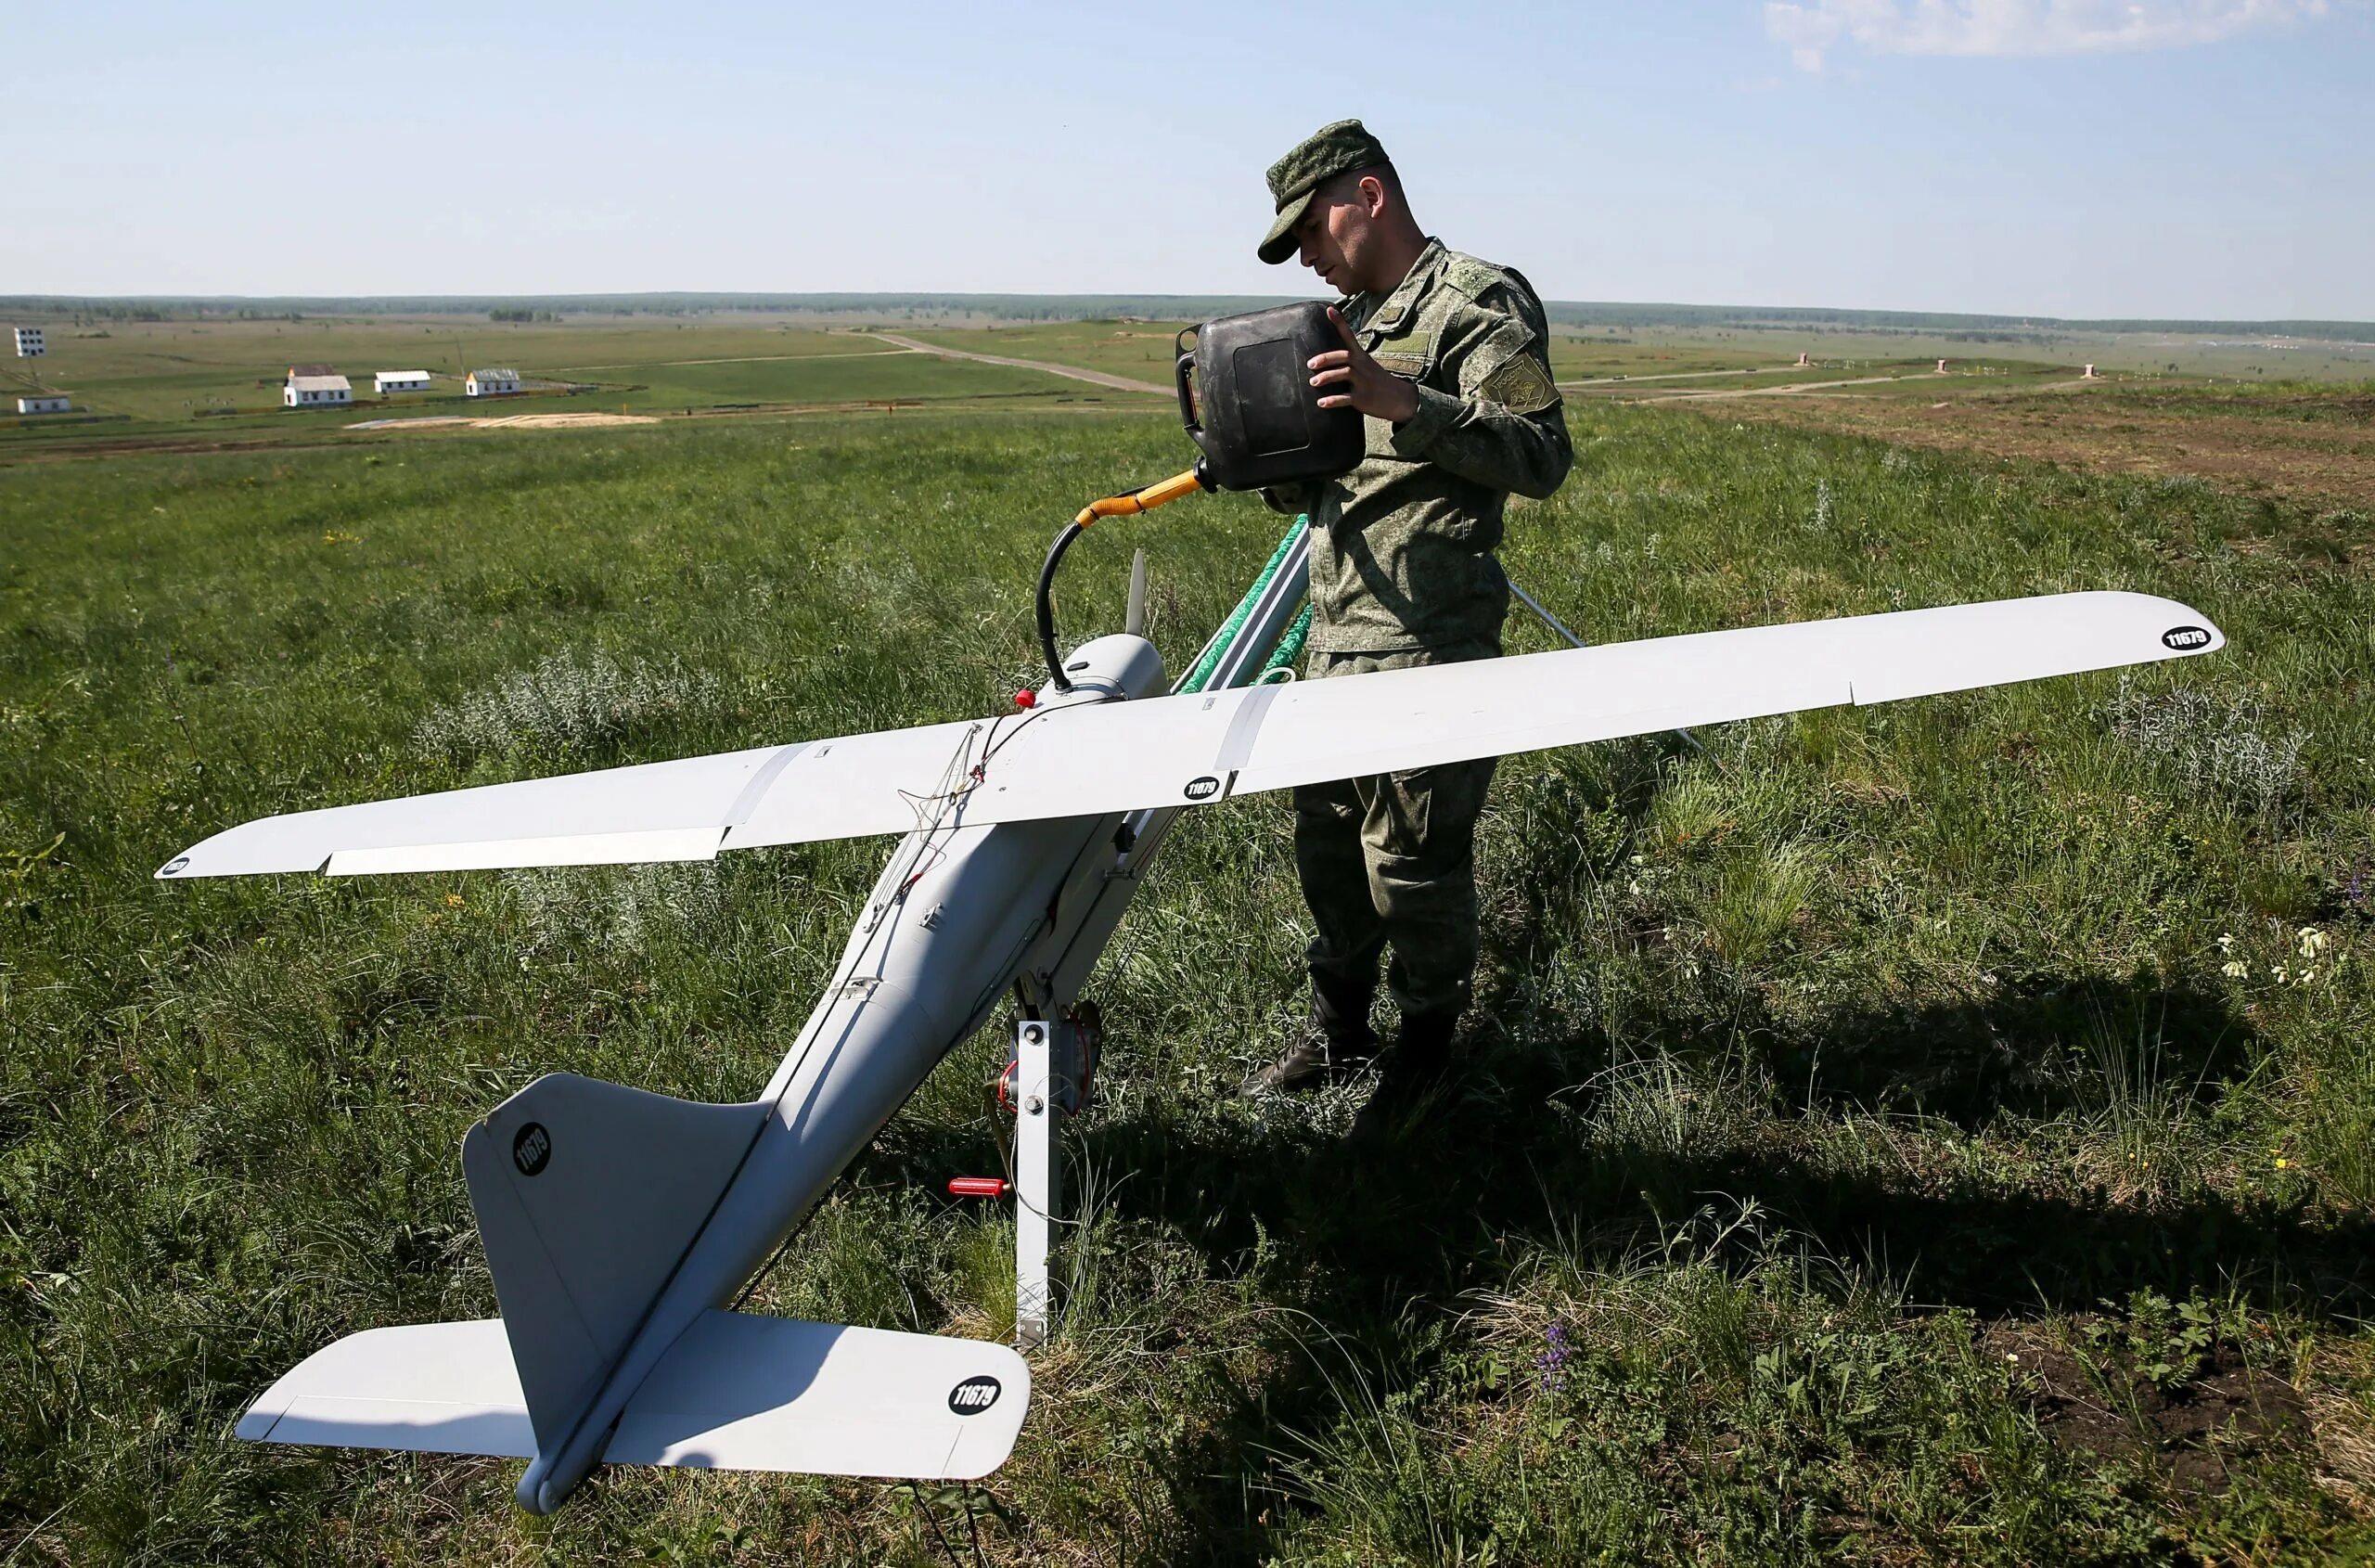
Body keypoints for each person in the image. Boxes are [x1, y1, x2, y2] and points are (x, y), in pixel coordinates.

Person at [1235, 119, 1573, 1134]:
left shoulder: (1478, 301)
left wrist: (1403, 401)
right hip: (1333, 634)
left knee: (1414, 861)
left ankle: (1428, 1043)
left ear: (1368, 195)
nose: (1305, 251)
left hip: (1430, 638)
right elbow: (1322, 485)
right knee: (1329, 847)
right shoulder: (1341, 320)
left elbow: (1541, 454)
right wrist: (1257, 446)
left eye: (1312, 226)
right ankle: (1340, 1030)